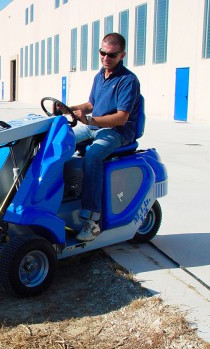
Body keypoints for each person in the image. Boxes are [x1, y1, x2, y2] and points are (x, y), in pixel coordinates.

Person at [68, 32, 141, 242]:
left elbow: (121, 118)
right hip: (96, 126)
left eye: (111, 55)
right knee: (60, 141)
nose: (106, 58)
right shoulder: (100, 75)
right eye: (102, 53)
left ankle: (92, 221)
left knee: (92, 155)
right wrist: (69, 108)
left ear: (122, 55)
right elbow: (92, 105)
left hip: (118, 132)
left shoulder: (128, 80)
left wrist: (90, 121)